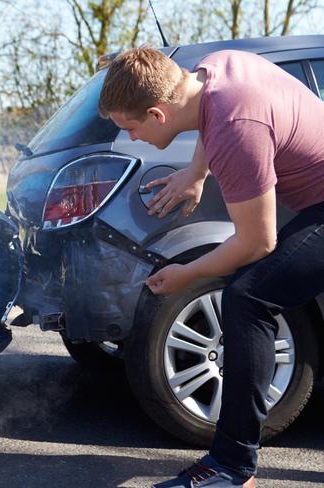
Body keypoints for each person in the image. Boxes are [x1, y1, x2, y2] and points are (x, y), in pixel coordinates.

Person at [99, 46, 324, 487]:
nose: (131, 139)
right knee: (249, 293)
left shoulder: (236, 128)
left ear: (157, 114)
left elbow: (258, 243)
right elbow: (212, 116)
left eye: (130, 128)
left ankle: (231, 468)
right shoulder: (215, 69)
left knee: (247, 298)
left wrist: (188, 274)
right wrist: (197, 173)